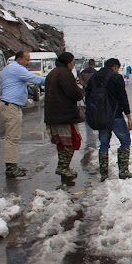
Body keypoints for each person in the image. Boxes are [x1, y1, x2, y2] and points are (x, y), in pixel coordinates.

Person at [85, 58, 132, 181]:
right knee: (125, 141)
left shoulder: (94, 78)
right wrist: (128, 117)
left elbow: (87, 98)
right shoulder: (116, 78)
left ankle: (104, 173)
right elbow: (123, 97)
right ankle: (123, 171)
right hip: (115, 115)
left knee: (103, 144)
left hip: (101, 117)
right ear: (115, 67)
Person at [0, 50, 47, 178]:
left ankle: (12, 164)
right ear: (19, 59)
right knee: (12, 138)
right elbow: (36, 79)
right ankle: (11, 167)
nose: (28, 62)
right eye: (26, 59)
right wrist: (53, 80)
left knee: (12, 137)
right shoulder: (17, 69)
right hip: (11, 106)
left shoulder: (9, 69)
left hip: (9, 104)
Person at [44, 52, 84, 185]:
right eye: (73, 63)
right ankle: (63, 167)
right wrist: (80, 91)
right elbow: (74, 93)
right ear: (68, 63)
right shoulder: (65, 74)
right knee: (72, 141)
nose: (73, 65)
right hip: (64, 115)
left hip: (52, 114)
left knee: (61, 144)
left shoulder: (52, 73)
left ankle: (65, 170)